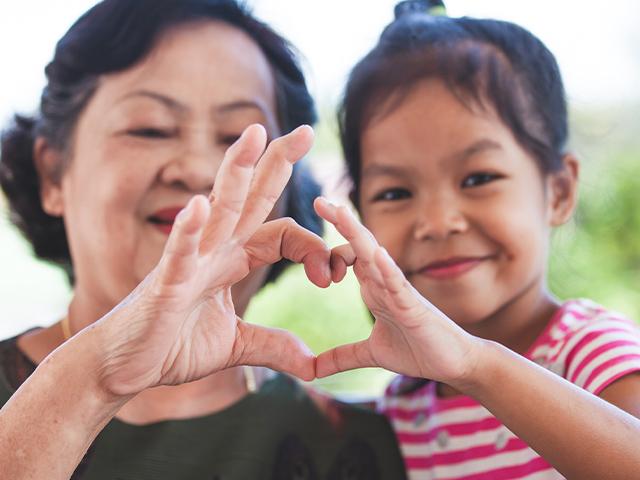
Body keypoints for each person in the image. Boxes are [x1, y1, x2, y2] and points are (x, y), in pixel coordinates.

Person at [0, 1, 406, 478]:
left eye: (239, 137)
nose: (197, 169)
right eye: (150, 128)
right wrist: (92, 383)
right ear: (52, 173)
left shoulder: (357, 447)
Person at [312, 1, 640, 478]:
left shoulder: (591, 352)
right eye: (395, 192)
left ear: (559, 191)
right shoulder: (405, 404)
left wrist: (478, 366)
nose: (439, 222)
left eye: (478, 178)